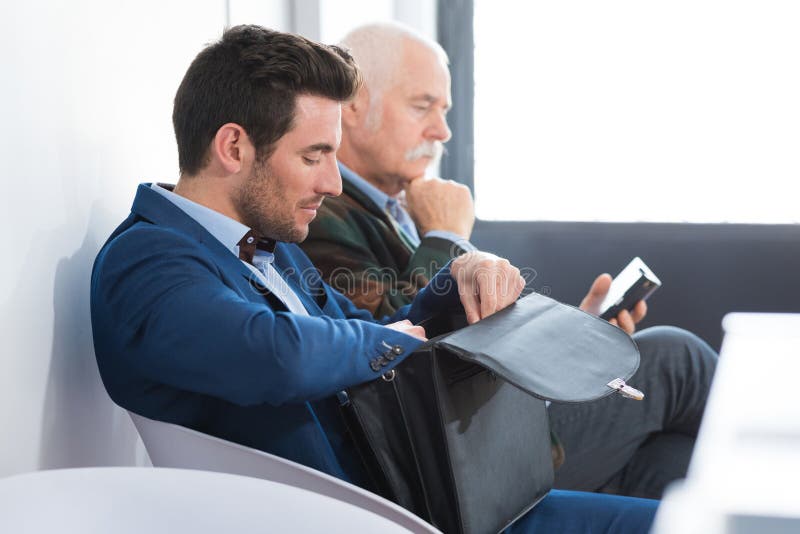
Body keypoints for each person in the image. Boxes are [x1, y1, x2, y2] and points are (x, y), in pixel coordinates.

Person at [91, 25, 659, 532]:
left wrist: (458, 280)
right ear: (234, 146)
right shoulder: (148, 262)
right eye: (314, 156)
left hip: (430, 498)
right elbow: (276, 353)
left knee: (683, 502)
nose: (333, 182)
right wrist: (392, 342)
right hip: (374, 515)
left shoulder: (268, 248)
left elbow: (370, 327)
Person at [299, 21, 718, 500]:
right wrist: (446, 238)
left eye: (444, 109)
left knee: (673, 466)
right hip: (466, 455)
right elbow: (389, 351)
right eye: (422, 105)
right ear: (352, 106)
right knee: (674, 356)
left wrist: (568, 343)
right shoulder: (319, 214)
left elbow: (480, 335)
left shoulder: (403, 205)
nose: (442, 130)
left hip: (504, 418)